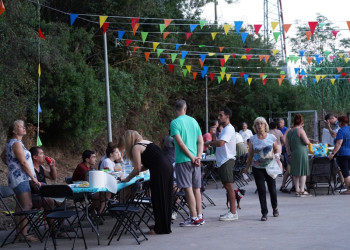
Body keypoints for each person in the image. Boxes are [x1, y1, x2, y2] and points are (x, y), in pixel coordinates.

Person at [121, 130, 173, 234]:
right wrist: (137, 170)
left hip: (159, 170)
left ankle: (159, 229)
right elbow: (147, 164)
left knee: (158, 198)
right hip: (167, 166)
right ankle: (163, 225)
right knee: (165, 197)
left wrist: (127, 179)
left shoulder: (136, 147)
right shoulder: (147, 142)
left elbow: (137, 169)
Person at [170, 99, 204, 227]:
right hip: (196, 160)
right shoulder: (193, 121)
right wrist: (198, 156)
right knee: (197, 188)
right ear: (185, 108)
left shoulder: (174, 123)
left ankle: (193, 217)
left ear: (176, 109)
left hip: (183, 160)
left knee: (188, 188)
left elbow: (180, 143)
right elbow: (200, 141)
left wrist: (191, 157)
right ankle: (199, 216)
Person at [5, 120, 40, 242]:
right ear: (14, 131)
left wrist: (11, 165)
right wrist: (34, 178)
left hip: (17, 177)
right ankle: (24, 234)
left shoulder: (14, 143)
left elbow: (3, 156)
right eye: (20, 126)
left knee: (20, 207)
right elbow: (23, 162)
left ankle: (20, 233)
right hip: (21, 178)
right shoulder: (16, 144)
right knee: (27, 205)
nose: (24, 128)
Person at [205, 107, 238, 221]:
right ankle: (231, 211)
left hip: (226, 160)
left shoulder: (229, 129)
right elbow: (218, 141)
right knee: (227, 186)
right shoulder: (224, 129)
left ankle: (233, 212)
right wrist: (213, 136)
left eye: (221, 115)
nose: (218, 117)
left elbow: (220, 143)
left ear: (227, 116)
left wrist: (209, 142)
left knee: (229, 186)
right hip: (223, 160)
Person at [243, 117, 279, 221]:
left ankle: (275, 208)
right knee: (261, 190)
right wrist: (246, 167)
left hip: (269, 166)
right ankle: (264, 212)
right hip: (257, 167)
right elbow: (250, 155)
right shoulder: (253, 139)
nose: (259, 126)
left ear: (265, 125)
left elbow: (276, 149)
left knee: (272, 188)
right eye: (257, 124)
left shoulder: (271, 137)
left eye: (261, 124)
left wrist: (276, 157)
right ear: (255, 126)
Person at [285, 114, 312, 197]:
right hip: (301, 152)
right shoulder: (300, 130)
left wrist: (289, 153)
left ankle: (297, 190)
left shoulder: (289, 131)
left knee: (295, 172)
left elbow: (287, 144)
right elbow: (307, 142)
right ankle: (302, 190)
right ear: (301, 122)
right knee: (303, 171)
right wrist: (302, 129)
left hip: (293, 152)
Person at [328, 116, 350, 194]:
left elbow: (339, 143)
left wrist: (333, 153)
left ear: (341, 123)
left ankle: (349, 189)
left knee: (345, 173)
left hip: (343, 154)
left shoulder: (341, 131)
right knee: (349, 171)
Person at [277, 118, 290, 193]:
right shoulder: (278, 130)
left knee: (286, 159)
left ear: (284, 123)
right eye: (279, 122)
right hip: (279, 148)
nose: (279, 124)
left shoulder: (286, 129)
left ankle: (285, 168)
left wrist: (283, 144)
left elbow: (286, 139)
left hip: (285, 148)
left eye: (281, 122)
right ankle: (283, 170)